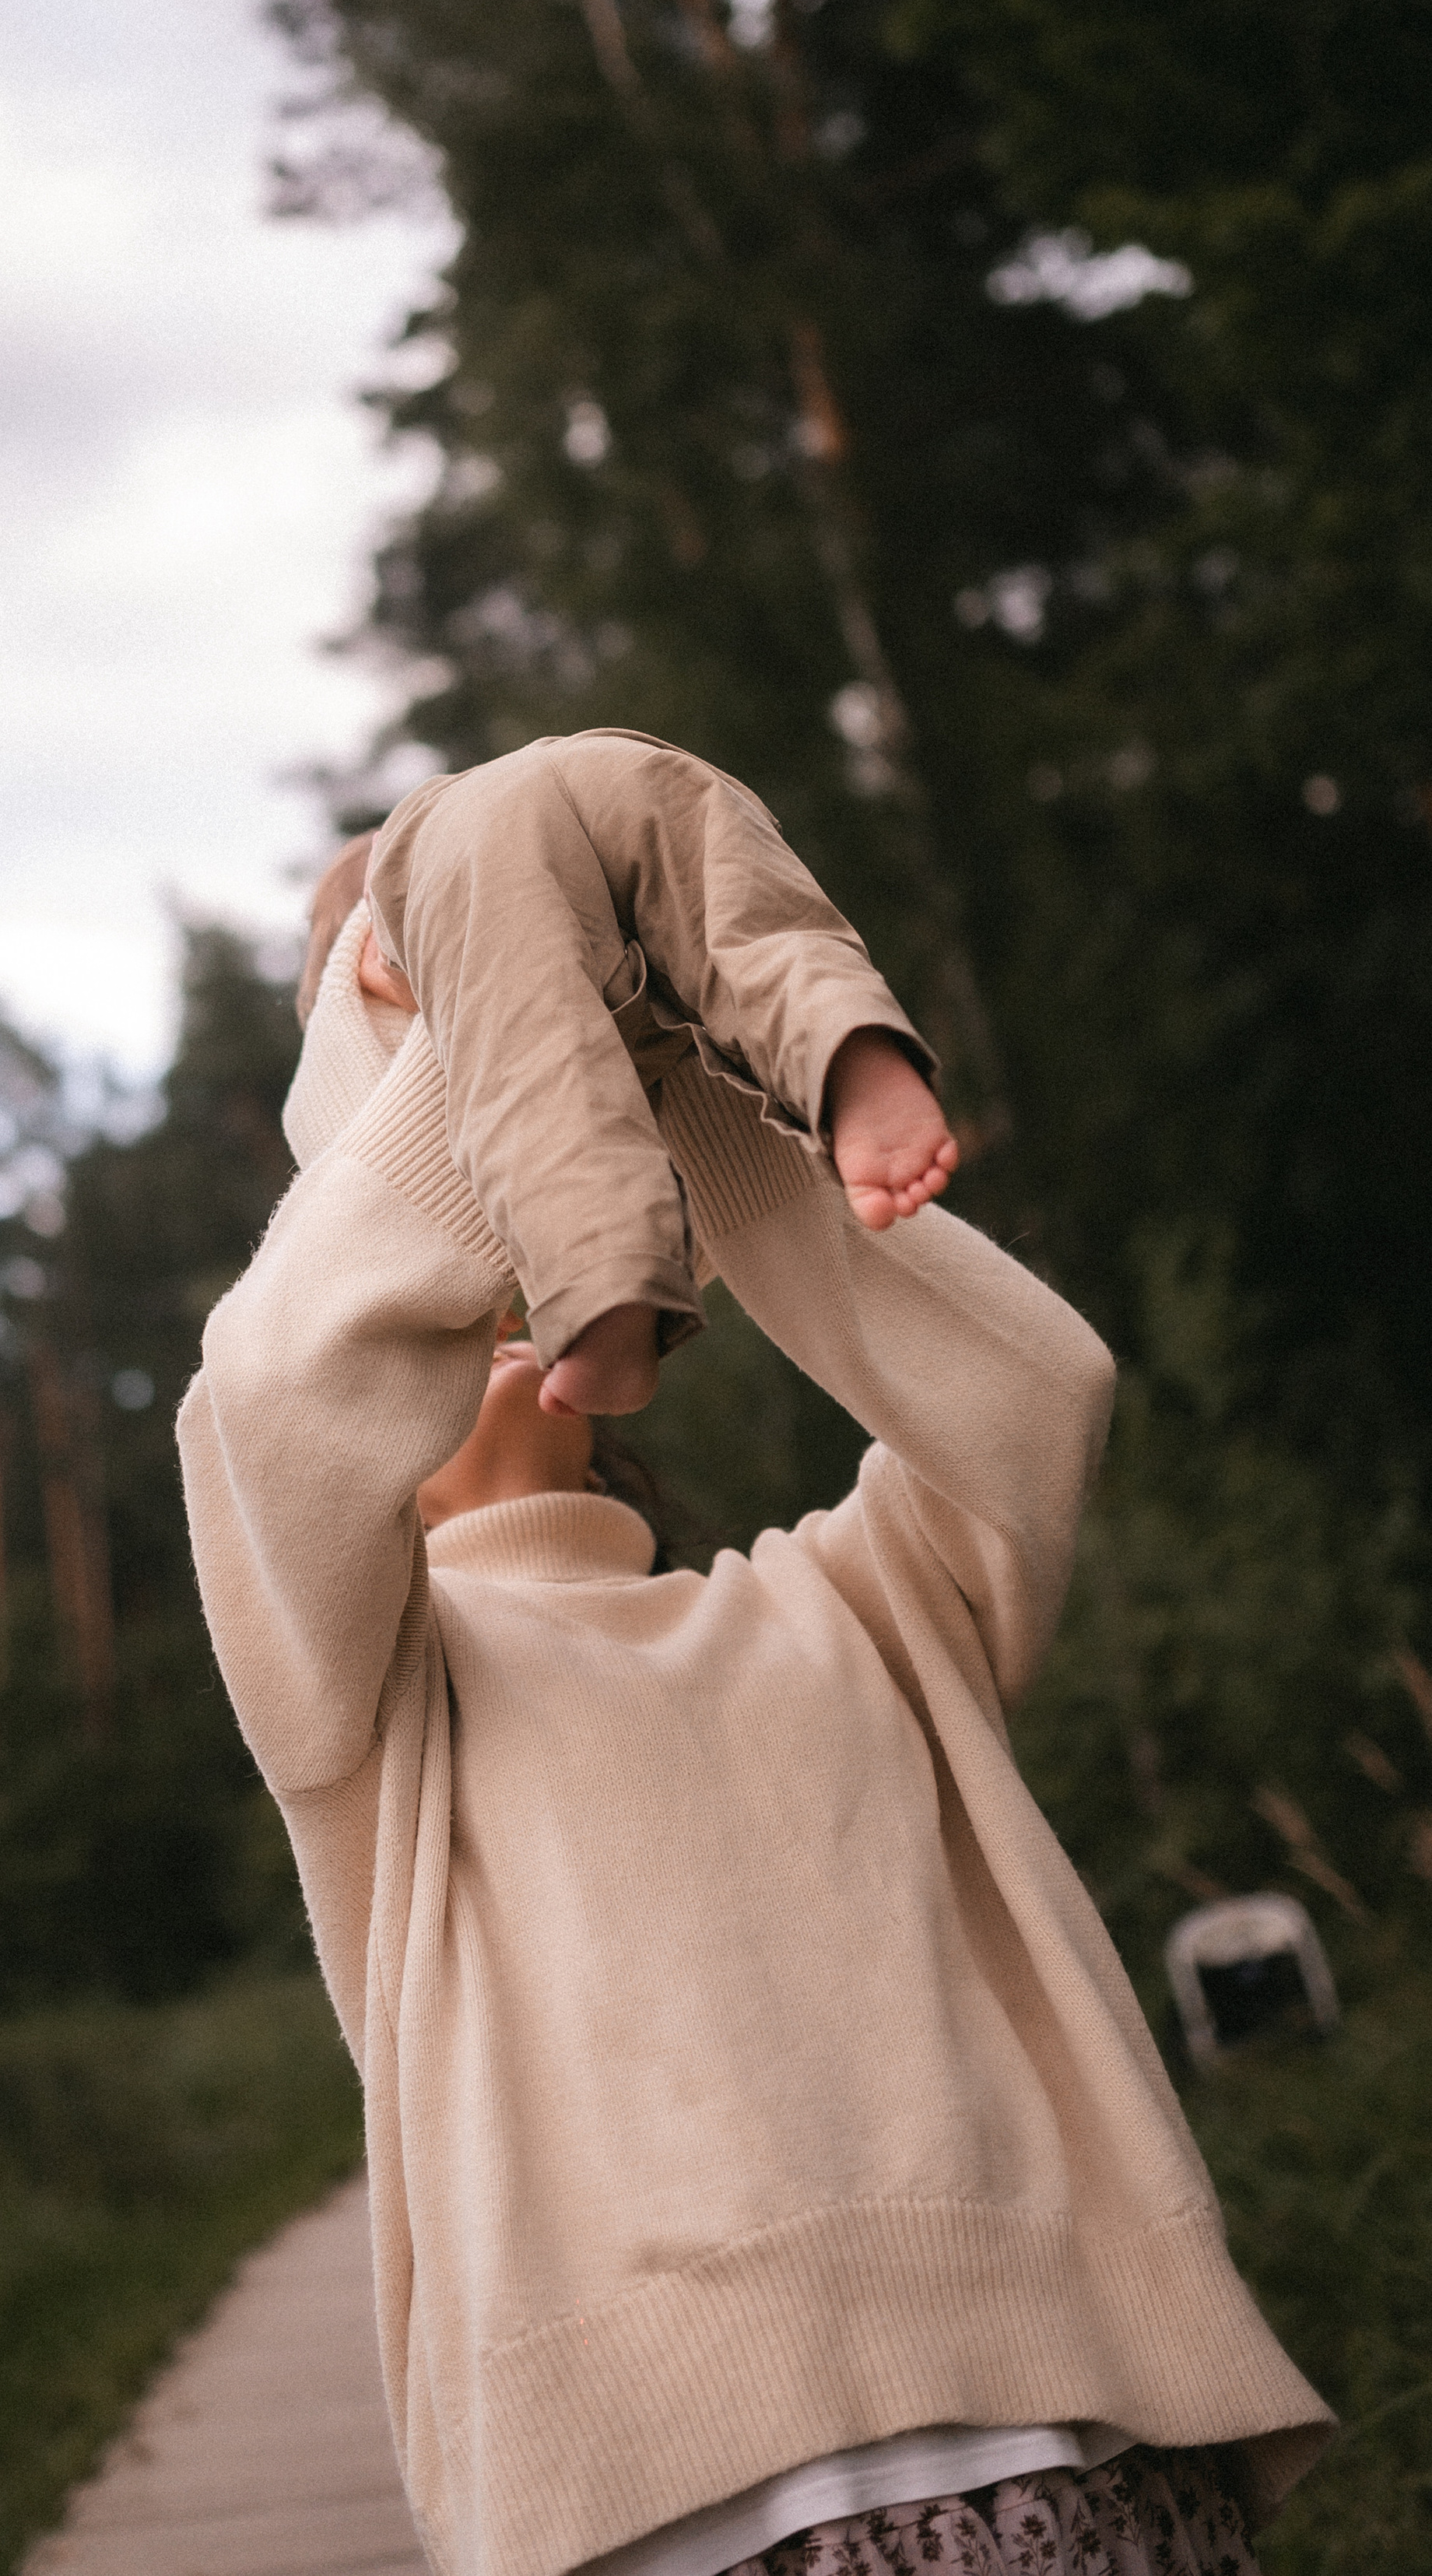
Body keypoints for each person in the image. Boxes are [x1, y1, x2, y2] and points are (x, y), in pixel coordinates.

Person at [179, 802, 1332, 2576]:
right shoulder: (372, 1716)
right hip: (676, 2528)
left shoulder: (860, 1594)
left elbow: (1038, 1387)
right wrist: (469, 1018)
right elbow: (268, 1395)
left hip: (1076, 2464)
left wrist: (657, 1070)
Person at [356, 730, 959, 1418]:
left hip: (466, 845)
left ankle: (602, 1290)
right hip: (628, 768)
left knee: (536, 1062)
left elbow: (480, 1087)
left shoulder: (383, 929)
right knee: (756, 934)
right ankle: (843, 1047)